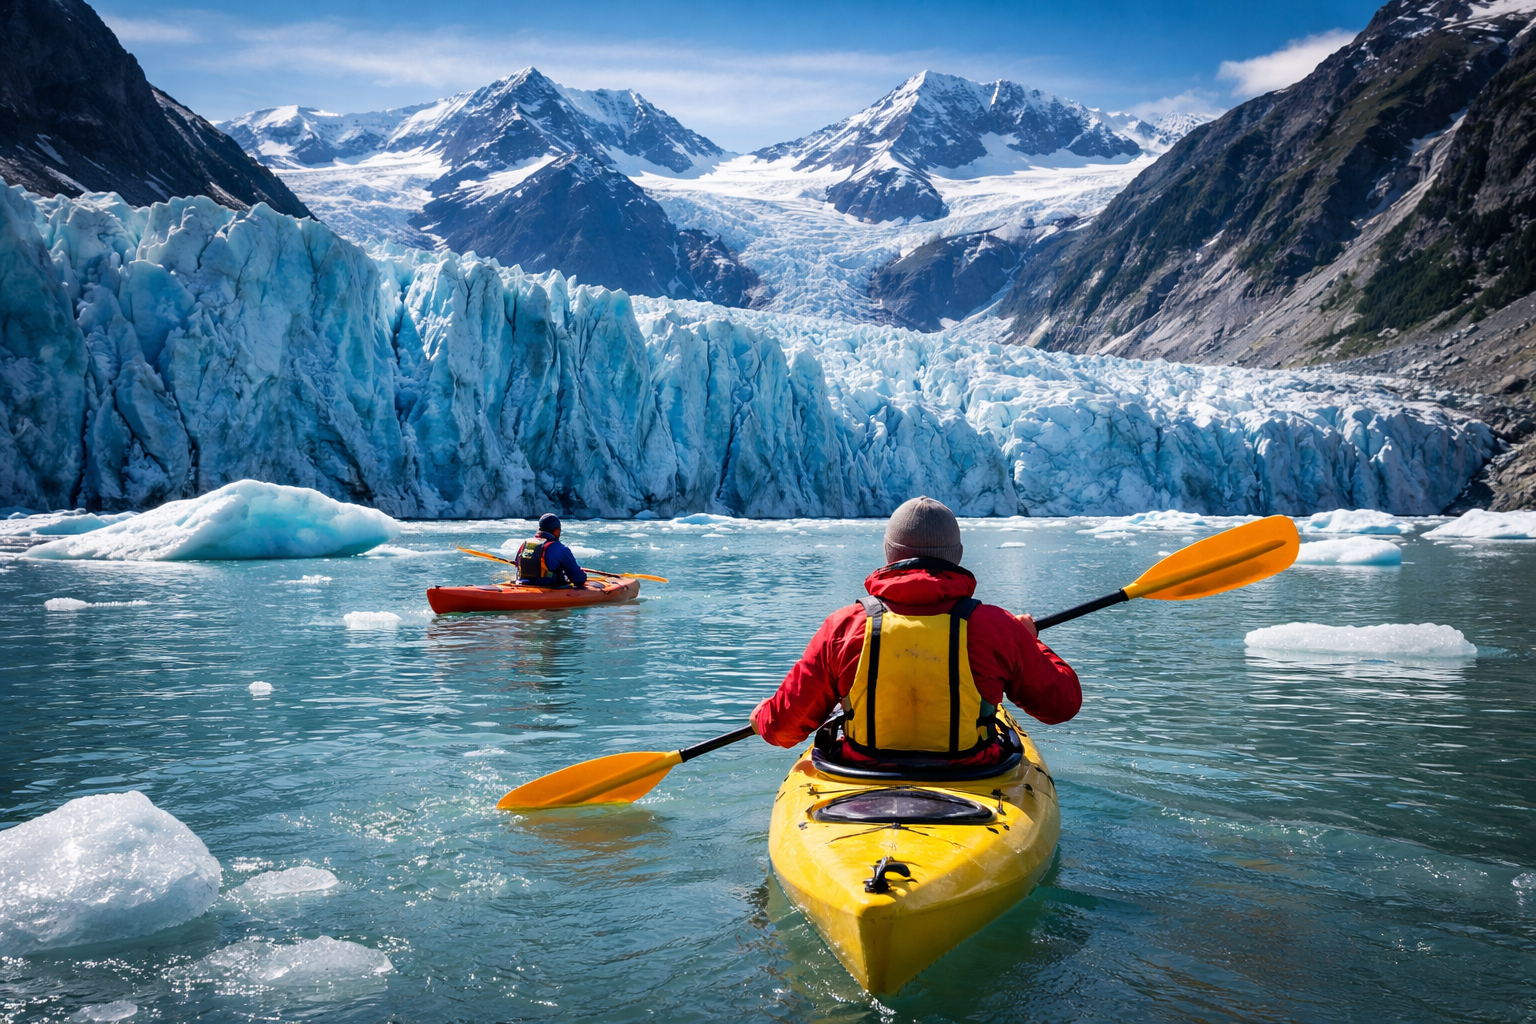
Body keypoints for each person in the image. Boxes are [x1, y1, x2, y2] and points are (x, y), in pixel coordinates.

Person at [751, 496, 1080, 768]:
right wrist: (1031, 642)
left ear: (890, 554)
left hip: (860, 775)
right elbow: (1062, 704)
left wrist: (760, 718)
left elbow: (784, 729)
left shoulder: (844, 626)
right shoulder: (997, 627)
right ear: (956, 557)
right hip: (971, 776)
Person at [513, 514, 588, 588]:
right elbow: (578, 579)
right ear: (556, 531)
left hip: (523, 585)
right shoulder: (560, 548)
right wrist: (583, 574)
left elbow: (517, 565)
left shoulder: (525, 544)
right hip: (549, 589)